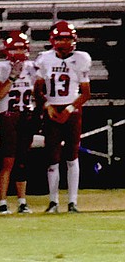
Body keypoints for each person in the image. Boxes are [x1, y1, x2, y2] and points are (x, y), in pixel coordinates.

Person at [34, 20, 92, 214]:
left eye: (67, 38)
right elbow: (38, 89)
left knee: (72, 155)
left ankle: (73, 202)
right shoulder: (44, 59)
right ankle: (53, 201)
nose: (64, 42)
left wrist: (69, 109)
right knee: (52, 157)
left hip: (72, 110)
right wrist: (47, 105)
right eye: (60, 38)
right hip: (52, 108)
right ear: (53, 39)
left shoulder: (82, 58)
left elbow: (85, 93)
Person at [0, 30, 37, 214]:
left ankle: (22, 202)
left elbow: (37, 92)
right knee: (8, 160)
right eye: (15, 48)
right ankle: (2, 202)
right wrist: (12, 78)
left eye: (22, 48)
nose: (19, 52)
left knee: (23, 161)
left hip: (26, 115)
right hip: (9, 116)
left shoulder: (32, 67)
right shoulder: (0, 67)